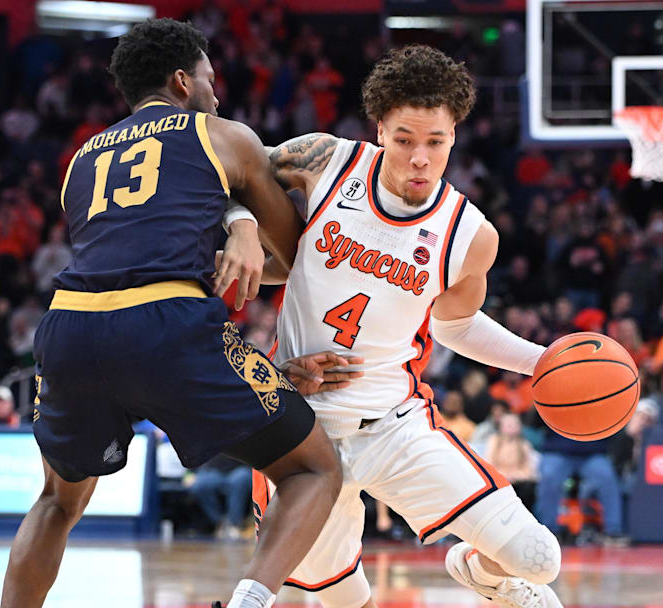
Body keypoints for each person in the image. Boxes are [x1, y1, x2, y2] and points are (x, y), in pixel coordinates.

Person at [1, 19, 351, 608]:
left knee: (58, 502)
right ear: (184, 81)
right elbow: (294, 255)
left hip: (68, 326)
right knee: (315, 470)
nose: (219, 92)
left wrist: (231, 224)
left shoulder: (81, 160)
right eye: (212, 79)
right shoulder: (225, 136)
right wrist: (242, 220)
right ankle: (250, 600)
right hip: (164, 322)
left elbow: (148, 226)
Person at [234, 45, 563, 608]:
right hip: (302, 428)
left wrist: (539, 361)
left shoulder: (469, 235)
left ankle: (481, 575)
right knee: (344, 600)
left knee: (541, 558)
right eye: (405, 139)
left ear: (454, 135)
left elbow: (454, 326)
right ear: (380, 127)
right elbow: (228, 174)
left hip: (394, 424)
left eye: (435, 142)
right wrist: (241, 223)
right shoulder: (322, 161)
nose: (419, 158)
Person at [189, 454, 254, 540]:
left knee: (240, 480)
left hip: (240, 468)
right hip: (213, 471)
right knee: (199, 485)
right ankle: (220, 522)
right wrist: (191, 473)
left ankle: (234, 523)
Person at [485, 414, 538, 510]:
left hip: (518, 481)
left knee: (528, 489)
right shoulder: (493, 441)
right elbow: (489, 465)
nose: (512, 427)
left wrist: (515, 476)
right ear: (501, 426)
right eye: (509, 425)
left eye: (515, 424)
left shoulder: (524, 444)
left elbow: (529, 470)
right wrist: (504, 476)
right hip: (499, 479)